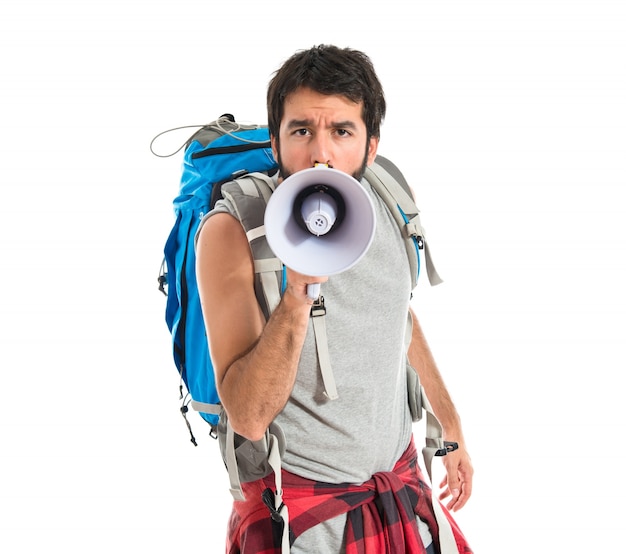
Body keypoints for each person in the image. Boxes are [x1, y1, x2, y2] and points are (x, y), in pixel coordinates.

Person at [196, 45, 473, 553]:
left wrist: (449, 422)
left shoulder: (388, 198)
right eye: (301, 130)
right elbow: (249, 416)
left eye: (341, 131)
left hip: (400, 487)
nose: (320, 153)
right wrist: (300, 291)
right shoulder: (231, 231)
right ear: (277, 141)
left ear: (370, 146)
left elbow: (397, 314)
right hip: (302, 514)